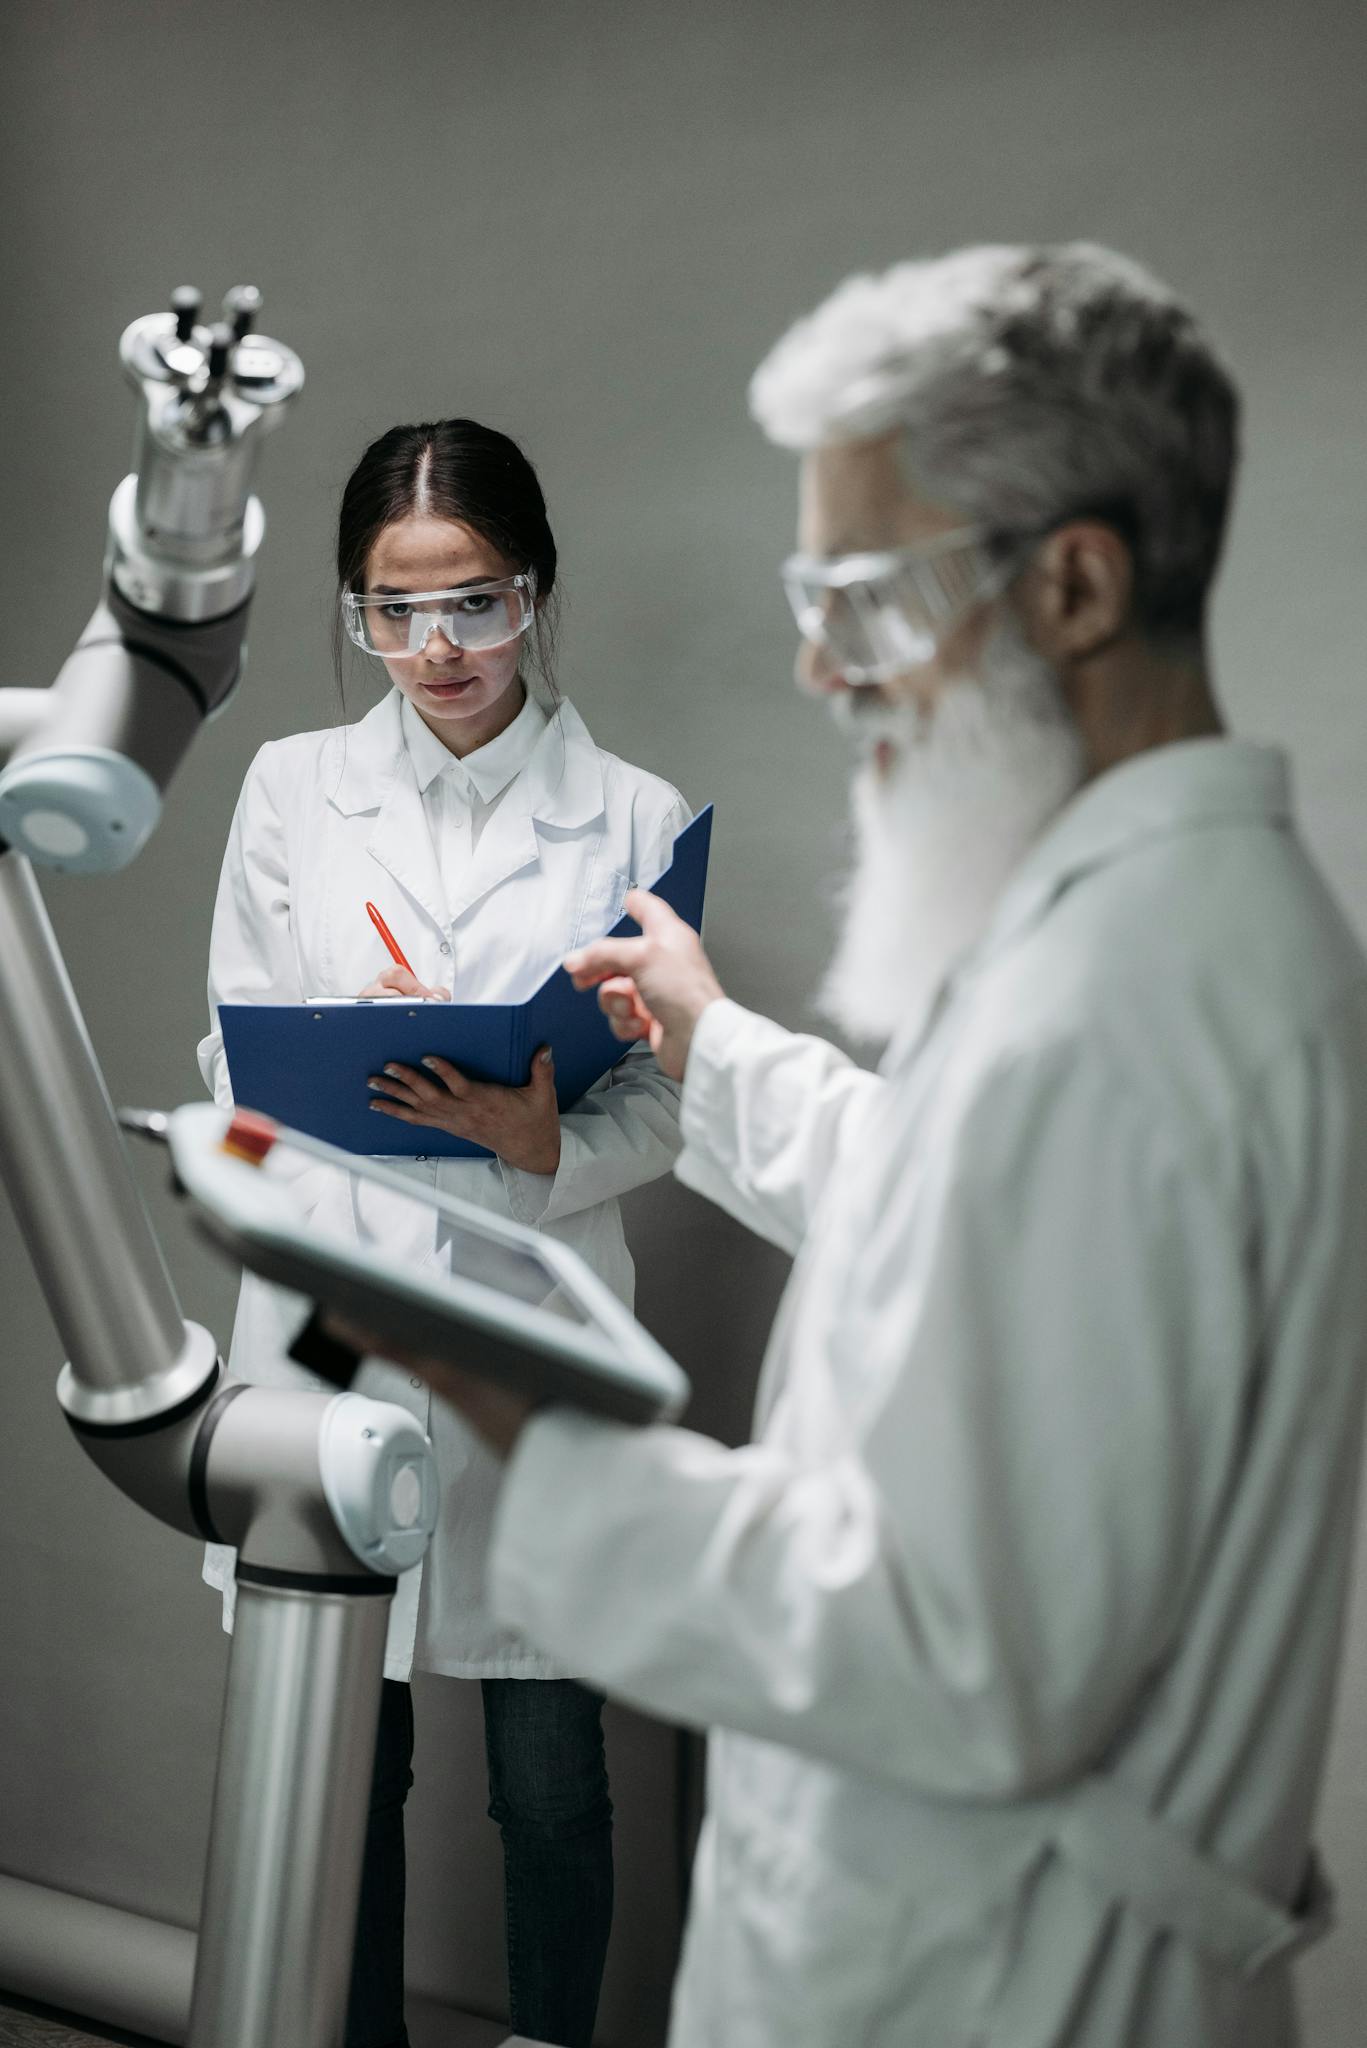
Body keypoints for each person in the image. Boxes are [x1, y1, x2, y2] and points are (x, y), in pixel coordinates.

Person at [379, 248, 1367, 2046]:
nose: (818, 665)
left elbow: (947, 1651)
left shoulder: (1122, 1005)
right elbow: (958, 1195)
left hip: (988, 1976)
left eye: (860, 594)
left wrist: (540, 1427)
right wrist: (712, 1042)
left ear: (1074, 585)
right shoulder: (1167, 927)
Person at [197, 417, 690, 2048]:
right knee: (344, 1766)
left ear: (533, 589)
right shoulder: (295, 790)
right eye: (392, 611)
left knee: (550, 1784)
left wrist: (548, 1144)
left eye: (474, 602)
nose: (436, 648)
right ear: (357, 609)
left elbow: (669, 1104)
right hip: (334, 1323)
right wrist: (334, 1074)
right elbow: (229, 1059)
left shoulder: (634, 819)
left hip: (529, 1331)